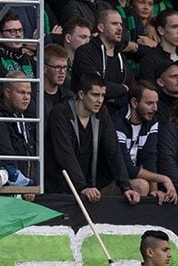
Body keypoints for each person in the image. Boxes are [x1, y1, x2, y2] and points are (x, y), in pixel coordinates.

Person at [44, 72, 141, 201]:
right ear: (81, 94)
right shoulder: (61, 113)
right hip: (58, 188)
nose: (100, 100)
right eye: (95, 95)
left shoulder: (102, 113)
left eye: (103, 95)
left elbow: (113, 150)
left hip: (90, 185)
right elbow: (65, 154)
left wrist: (126, 187)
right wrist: (82, 186)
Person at [113, 80, 175, 201]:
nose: (155, 108)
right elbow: (126, 167)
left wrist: (154, 191)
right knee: (142, 185)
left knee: (148, 187)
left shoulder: (152, 121)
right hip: (113, 180)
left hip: (133, 177)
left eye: (156, 103)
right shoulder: (117, 122)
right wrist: (163, 179)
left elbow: (149, 158)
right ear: (134, 102)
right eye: (149, 103)